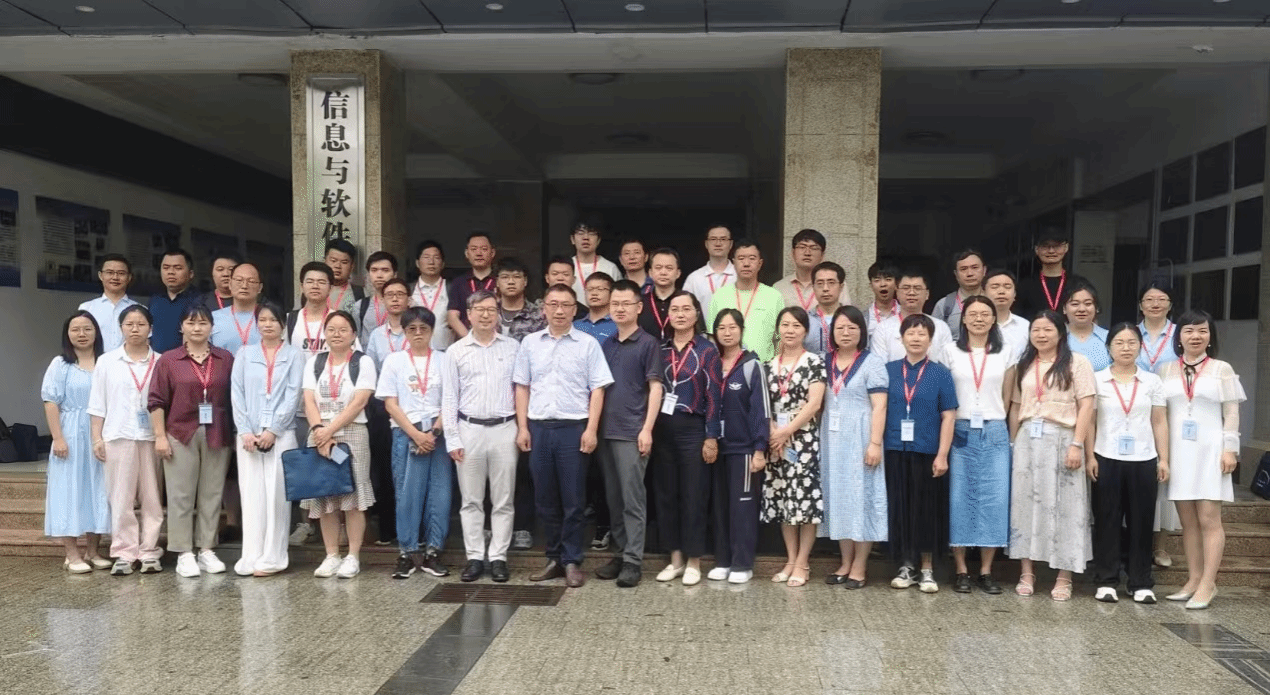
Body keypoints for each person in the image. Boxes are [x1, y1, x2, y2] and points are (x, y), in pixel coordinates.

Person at [514, 284, 614, 588]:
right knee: (545, 498)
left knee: (573, 499)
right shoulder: (530, 343)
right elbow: (522, 386)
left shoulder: (588, 344)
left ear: (574, 309)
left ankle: (572, 560)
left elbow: (598, 389)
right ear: (544, 308)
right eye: (553, 304)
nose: (559, 311)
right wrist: (522, 427)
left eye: (566, 305)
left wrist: (591, 429)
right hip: (539, 428)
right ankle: (553, 558)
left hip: (574, 428)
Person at [1159, 309, 1245, 610]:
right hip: (1179, 452)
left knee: (1209, 518)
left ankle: (1209, 583)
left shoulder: (1222, 369)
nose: (1195, 336)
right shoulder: (1166, 370)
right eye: (1189, 331)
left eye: (1202, 331)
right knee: (1188, 521)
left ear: (1210, 336)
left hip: (1210, 451)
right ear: (1179, 337)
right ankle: (1193, 579)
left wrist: (1230, 449)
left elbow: (1231, 412)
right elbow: (1160, 415)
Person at [1008, 310, 1096, 601]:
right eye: (1036, 330)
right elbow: (1016, 406)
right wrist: (1012, 443)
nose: (1041, 335)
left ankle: (1064, 575)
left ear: (1060, 333)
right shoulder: (1024, 363)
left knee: (1066, 507)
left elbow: (1086, 406)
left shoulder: (1077, 363)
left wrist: (1077, 444)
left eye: (1047, 329)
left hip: (1063, 438)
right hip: (1027, 439)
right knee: (1025, 506)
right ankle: (1027, 572)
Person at [148, 304, 234, 578]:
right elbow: (156, 400)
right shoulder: (169, 360)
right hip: (179, 433)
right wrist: (160, 436)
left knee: (212, 494)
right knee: (180, 495)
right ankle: (184, 552)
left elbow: (235, 396)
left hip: (217, 432)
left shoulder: (225, 359)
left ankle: (206, 548)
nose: (197, 328)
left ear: (212, 327)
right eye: (191, 323)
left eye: (203, 323)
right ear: (181, 327)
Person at [442, 290, 520, 584]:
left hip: (505, 428)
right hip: (469, 429)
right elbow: (449, 397)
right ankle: (474, 557)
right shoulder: (456, 351)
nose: (486, 315)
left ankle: (499, 557)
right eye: (480, 309)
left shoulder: (513, 348)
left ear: (498, 313)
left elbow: (521, 390)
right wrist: (453, 438)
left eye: (491, 309)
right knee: (471, 500)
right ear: (468, 314)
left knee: (503, 499)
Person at [1089, 323, 1169, 604]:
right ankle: (1106, 580)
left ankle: (1140, 582)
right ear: (1109, 347)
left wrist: (1164, 458)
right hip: (1106, 456)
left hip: (1143, 458)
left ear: (1140, 347)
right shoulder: (1097, 380)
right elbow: (1089, 422)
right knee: (1106, 520)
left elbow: (1159, 421)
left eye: (1132, 342)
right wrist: (1089, 456)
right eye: (1119, 343)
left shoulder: (1152, 382)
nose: (1126, 348)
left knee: (1142, 522)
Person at [593, 280, 663, 588]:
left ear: (639, 307)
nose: (620, 309)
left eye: (626, 303)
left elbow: (656, 388)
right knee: (614, 498)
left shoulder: (648, 343)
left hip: (633, 432)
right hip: (605, 432)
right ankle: (620, 554)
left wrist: (647, 429)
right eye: (615, 304)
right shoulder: (606, 344)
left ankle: (634, 560)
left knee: (633, 498)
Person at [377, 306, 453, 579]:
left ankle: (433, 551)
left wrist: (433, 432)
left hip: (438, 432)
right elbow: (390, 403)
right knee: (407, 493)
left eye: (424, 328)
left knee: (439, 494)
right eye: (412, 329)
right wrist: (416, 434)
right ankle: (407, 552)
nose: (418, 333)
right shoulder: (394, 361)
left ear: (432, 331)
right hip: (406, 431)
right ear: (405, 332)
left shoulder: (444, 359)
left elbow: (450, 399)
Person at [883, 314, 957, 594]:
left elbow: (949, 416)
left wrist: (942, 454)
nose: (916, 338)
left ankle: (927, 568)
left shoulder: (941, 373)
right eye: (911, 333)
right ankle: (905, 565)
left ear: (930, 340)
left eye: (922, 333)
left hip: (928, 451)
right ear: (901, 338)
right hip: (895, 449)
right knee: (901, 509)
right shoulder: (888, 370)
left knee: (927, 510)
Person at [230, 300, 304, 577]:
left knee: (276, 498)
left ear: (283, 324)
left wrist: (274, 429)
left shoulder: (294, 355)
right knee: (251, 497)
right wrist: (245, 430)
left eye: (273, 320)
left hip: (281, 435)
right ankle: (251, 556)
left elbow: (294, 394)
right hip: (248, 435)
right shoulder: (244, 353)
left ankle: (273, 557)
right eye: (262, 319)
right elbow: (236, 394)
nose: (267, 324)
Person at [652, 292, 722, 587]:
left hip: (693, 429)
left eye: (686, 309)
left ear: (696, 314)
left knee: (694, 495)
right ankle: (676, 559)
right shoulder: (659, 348)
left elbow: (714, 396)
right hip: (662, 429)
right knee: (666, 494)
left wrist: (711, 436)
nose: (680, 314)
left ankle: (694, 561)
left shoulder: (707, 350)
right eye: (675, 309)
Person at [942, 297, 1010, 594]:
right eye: (973, 314)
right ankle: (960, 569)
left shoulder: (1006, 351)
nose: (979, 319)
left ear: (994, 319)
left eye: (985, 314)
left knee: (995, 499)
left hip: (994, 429)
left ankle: (986, 570)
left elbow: (1008, 395)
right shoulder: (949, 351)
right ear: (963, 319)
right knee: (959, 497)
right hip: (960, 428)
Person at [303, 311, 378, 579]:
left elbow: (360, 401)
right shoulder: (315, 362)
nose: (337, 334)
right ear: (324, 333)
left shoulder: (362, 362)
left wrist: (329, 431)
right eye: (331, 329)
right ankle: (331, 554)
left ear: (354, 334)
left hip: (352, 433)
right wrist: (319, 431)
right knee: (325, 495)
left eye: (343, 329)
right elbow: (308, 400)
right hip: (320, 434)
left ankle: (353, 556)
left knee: (353, 497)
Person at [88, 305, 162, 575]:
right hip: (117, 435)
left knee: (152, 497)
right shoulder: (107, 362)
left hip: (152, 438)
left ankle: (150, 550)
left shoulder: (161, 362)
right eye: (129, 324)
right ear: (120, 328)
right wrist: (97, 438)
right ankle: (124, 552)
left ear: (150, 329)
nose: (135, 329)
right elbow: (98, 404)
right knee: (120, 498)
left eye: (141, 324)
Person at [818, 306, 887, 589]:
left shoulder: (872, 362)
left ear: (862, 331)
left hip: (861, 439)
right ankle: (845, 562)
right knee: (839, 499)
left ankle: (860, 565)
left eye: (852, 327)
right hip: (831, 441)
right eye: (840, 328)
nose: (845, 333)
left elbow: (880, 406)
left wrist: (875, 443)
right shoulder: (824, 361)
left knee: (862, 498)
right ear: (832, 333)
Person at [763, 306, 826, 588]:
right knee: (784, 500)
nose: (790, 330)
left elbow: (814, 404)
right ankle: (790, 560)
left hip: (803, 440)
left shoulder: (814, 362)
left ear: (806, 331)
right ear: (778, 329)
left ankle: (803, 562)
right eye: (785, 325)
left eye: (796, 326)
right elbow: (762, 405)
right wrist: (773, 433)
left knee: (805, 502)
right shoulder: (768, 365)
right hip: (776, 440)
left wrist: (787, 431)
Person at [42, 311, 110, 573]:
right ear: (67, 334)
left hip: (99, 434)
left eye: (87, 329)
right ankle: (72, 554)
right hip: (69, 433)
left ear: (96, 333)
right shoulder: (60, 364)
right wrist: (58, 438)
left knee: (98, 491)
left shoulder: (106, 362)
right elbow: (50, 402)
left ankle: (93, 551)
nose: (82, 334)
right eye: (75, 329)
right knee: (67, 492)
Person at [1136, 280, 1181, 565]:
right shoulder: (1129, 333)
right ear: (1140, 305)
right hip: (1134, 411)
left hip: (1172, 412)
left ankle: (1161, 546)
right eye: (1149, 299)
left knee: (1165, 477)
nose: (1155, 304)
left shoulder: (1180, 334)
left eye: (1161, 299)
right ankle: (1133, 542)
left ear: (1170, 304)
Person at [707, 239, 784, 362]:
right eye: (741, 258)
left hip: (763, 366)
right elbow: (712, 336)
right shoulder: (719, 296)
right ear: (734, 263)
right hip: (727, 367)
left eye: (752, 258)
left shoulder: (774, 296)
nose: (746, 264)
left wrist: (775, 366)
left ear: (760, 263)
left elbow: (781, 338)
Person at [872, 270, 953, 365]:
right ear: (897, 293)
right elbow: (878, 367)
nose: (911, 293)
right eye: (906, 288)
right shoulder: (883, 329)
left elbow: (946, 365)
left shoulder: (941, 327)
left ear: (927, 294)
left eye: (917, 288)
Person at [773, 229, 852, 311]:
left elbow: (847, 315)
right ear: (793, 253)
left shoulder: (835, 285)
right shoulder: (779, 287)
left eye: (814, 248)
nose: (807, 253)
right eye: (802, 247)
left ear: (822, 255)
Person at [1018, 229, 1087, 317]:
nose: (1051, 251)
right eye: (1045, 246)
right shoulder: (1024, 286)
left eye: (1057, 246)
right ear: (1036, 249)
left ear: (1066, 248)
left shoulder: (1079, 284)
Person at [79, 253, 138, 352]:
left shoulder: (139, 310)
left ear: (129, 277)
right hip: (96, 361)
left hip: (129, 361)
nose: (115, 277)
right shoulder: (87, 308)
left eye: (121, 273)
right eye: (110, 272)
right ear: (100, 275)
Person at [148, 248, 201, 353]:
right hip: (156, 360)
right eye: (166, 268)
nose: (171, 272)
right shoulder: (155, 300)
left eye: (178, 268)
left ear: (191, 274)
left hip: (187, 360)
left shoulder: (200, 301)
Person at [447, 232, 498, 340]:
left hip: (496, 340)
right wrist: (471, 340)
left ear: (492, 253)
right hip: (466, 342)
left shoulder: (500, 281)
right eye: (474, 249)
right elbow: (452, 317)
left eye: (484, 249)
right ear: (467, 253)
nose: (479, 253)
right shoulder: (458, 282)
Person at [932, 249, 986, 340]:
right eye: (963, 269)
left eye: (975, 267)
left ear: (984, 270)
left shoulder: (995, 301)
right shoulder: (944, 305)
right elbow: (934, 341)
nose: (970, 273)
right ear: (956, 274)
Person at [410, 240, 455, 350]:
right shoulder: (408, 290)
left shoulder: (452, 288)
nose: (431, 262)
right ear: (417, 263)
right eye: (426, 257)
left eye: (436, 257)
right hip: (415, 352)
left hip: (446, 352)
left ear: (443, 264)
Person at [210, 261, 263, 353]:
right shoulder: (212, 318)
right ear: (230, 284)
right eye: (239, 280)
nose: (244, 286)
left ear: (260, 287)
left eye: (251, 281)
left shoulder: (270, 319)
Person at [683, 224, 736, 310]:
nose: (718, 244)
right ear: (706, 244)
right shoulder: (694, 278)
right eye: (713, 239)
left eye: (723, 239)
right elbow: (685, 309)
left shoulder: (740, 275)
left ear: (731, 244)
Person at [983, 268, 1029, 365]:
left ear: (1014, 294)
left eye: (1007, 287)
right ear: (983, 293)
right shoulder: (975, 324)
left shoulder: (1025, 326)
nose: (1001, 291)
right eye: (995, 287)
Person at [354, 251, 400, 347]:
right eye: (374, 270)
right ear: (368, 274)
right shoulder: (360, 306)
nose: (379, 275)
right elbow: (355, 340)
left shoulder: (405, 305)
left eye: (385, 270)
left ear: (395, 274)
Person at [638, 248, 683, 342]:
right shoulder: (639, 303)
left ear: (678, 273)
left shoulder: (688, 301)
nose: (663, 272)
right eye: (658, 268)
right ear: (650, 273)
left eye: (669, 268)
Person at [1064, 281, 1110, 372]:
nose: (1082, 309)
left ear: (1097, 308)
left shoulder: (1109, 337)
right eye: (1075, 304)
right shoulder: (1056, 338)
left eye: (1088, 304)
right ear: (1064, 309)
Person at [569, 219, 621, 299]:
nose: (586, 237)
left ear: (598, 240)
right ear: (572, 239)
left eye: (591, 233)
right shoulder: (566, 267)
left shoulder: (610, 268)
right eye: (580, 233)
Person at [365, 278, 411, 370]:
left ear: (409, 300)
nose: (395, 299)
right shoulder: (376, 335)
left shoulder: (417, 331)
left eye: (400, 294)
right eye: (390, 295)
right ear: (382, 300)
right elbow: (371, 368)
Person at [496, 258, 546, 341]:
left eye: (517, 277)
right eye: (505, 277)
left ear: (525, 281)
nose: (511, 282)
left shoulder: (538, 315)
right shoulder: (489, 312)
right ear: (497, 282)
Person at [804, 261, 845, 356]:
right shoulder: (804, 320)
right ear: (813, 287)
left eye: (831, 283)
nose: (825, 288)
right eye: (820, 283)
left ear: (841, 287)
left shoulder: (853, 319)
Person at [574, 272, 617, 343]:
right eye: (590, 289)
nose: (594, 293)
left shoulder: (619, 325)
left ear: (612, 293)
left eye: (600, 289)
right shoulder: (575, 326)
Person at [323, 239, 364, 314]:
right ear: (325, 262)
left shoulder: (361, 294)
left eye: (344, 262)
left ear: (352, 266)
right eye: (333, 261)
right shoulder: (313, 290)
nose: (338, 266)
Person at [864, 261, 899, 333]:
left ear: (896, 284)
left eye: (888, 279)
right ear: (871, 286)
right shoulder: (863, 318)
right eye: (877, 280)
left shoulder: (906, 314)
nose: (883, 284)